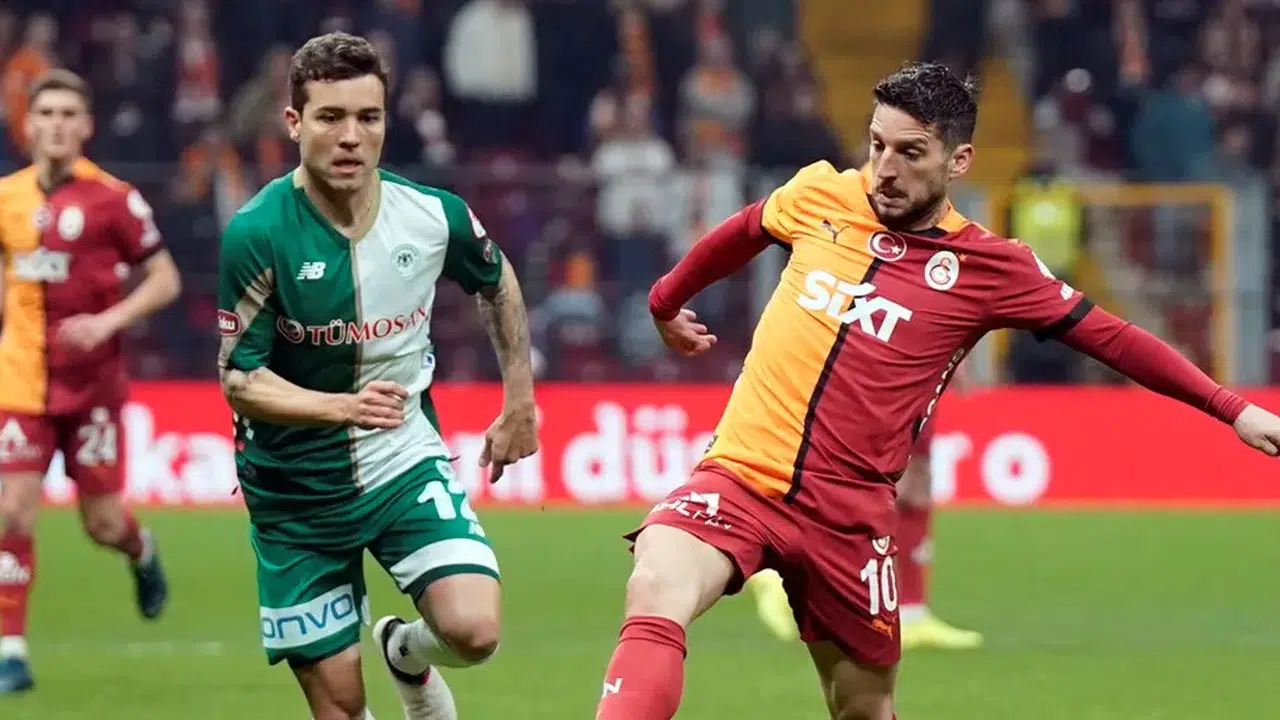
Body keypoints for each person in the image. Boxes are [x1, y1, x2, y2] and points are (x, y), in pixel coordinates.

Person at [593, 61, 1280, 720]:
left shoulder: (992, 267)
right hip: (741, 477)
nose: (885, 169)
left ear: (958, 160)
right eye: (877, 146)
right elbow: (746, 229)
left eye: (910, 152)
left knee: (864, 708)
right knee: (655, 584)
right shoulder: (820, 194)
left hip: (849, 520)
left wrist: (1232, 408)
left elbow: (1113, 338)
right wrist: (665, 300)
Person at [216, 33, 537, 720]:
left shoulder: (433, 216)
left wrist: (520, 401)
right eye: (330, 117)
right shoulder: (257, 233)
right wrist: (342, 407)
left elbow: (497, 281)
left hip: (400, 458)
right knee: (342, 709)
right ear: (294, 122)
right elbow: (239, 379)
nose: (351, 137)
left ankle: (405, 651)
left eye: (369, 117)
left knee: (475, 631)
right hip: (293, 490)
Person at [0, 69, 180, 694]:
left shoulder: (115, 200)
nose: (55, 125)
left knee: (102, 523)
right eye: (45, 113)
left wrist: (107, 323)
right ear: (28, 125)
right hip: (21, 382)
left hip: (93, 388)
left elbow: (165, 278)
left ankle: (140, 549)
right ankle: (11, 652)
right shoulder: (6, 198)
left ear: (86, 126)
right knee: (12, 511)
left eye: (67, 114)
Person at [746, 364, 983, 650]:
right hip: (890, 364)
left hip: (917, 368)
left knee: (915, 482)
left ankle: (911, 611)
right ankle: (783, 571)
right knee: (888, 481)